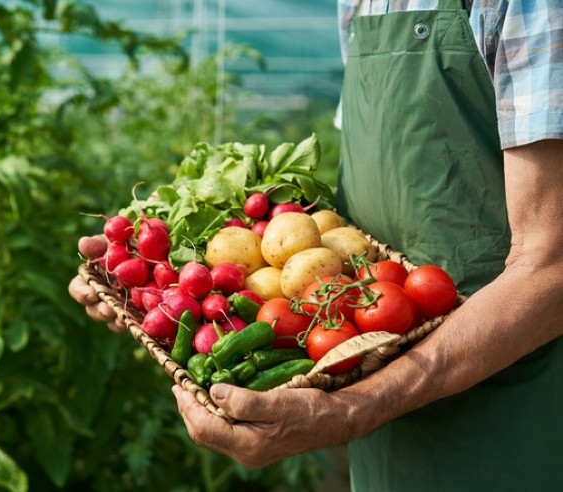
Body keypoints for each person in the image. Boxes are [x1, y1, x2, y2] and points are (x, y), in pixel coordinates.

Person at [69, 1, 563, 490]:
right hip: (383, 401)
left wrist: (351, 410)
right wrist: (151, 286)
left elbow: (551, 268)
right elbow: (393, 185)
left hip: (508, 415)